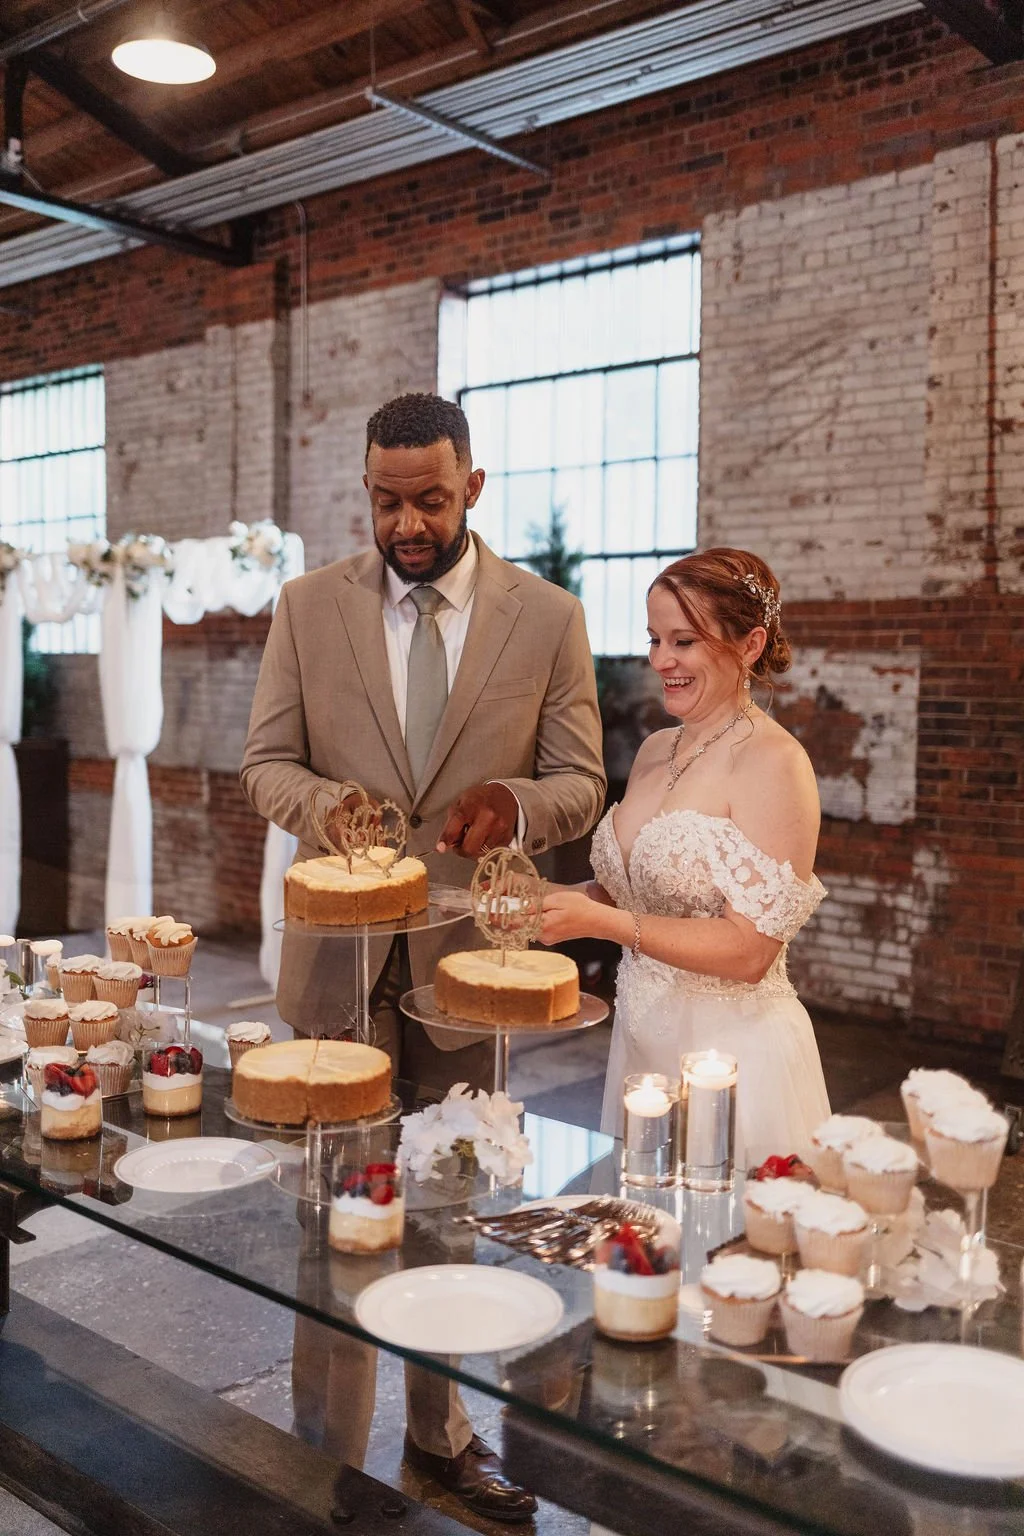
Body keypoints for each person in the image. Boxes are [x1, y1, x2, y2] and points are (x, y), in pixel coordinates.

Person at [241, 392, 605, 1523]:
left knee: (452, 1215)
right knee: (332, 1227)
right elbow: (264, 763)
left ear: (473, 489)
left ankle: (444, 1443)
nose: (405, 523)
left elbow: (583, 780)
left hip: (470, 971)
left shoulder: (545, 617)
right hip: (334, 971)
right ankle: (326, 1454)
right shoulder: (308, 606)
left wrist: (518, 803)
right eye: (385, 500)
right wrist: (323, 805)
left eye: (429, 499)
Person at [540, 547, 830, 1158]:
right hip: (642, 1051)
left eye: (684, 641)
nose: (660, 661)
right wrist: (552, 900)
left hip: (735, 1057)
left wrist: (599, 922)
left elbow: (751, 950)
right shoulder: (654, 750)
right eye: (654, 640)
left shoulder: (774, 763)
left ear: (749, 645)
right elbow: (633, 894)